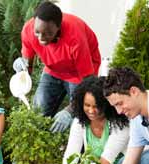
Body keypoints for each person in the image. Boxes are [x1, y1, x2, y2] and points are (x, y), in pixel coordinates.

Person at [13, 1, 101, 132]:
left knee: (78, 122)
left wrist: (70, 111)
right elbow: (27, 64)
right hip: (53, 69)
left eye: (47, 33)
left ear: (58, 27)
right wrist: (22, 69)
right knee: (37, 113)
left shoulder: (75, 37)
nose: (41, 38)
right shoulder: (28, 30)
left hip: (80, 74)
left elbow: (88, 83)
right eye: (38, 32)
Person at [100, 67, 149, 164]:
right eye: (115, 106)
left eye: (120, 103)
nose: (119, 111)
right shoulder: (137, 119)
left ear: (134, 91)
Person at [62, 76, 129, 164]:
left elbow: (107, 159)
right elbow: (71, 154)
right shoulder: (80, 122)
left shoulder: (119, 123)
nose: (91, 111)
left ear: (107, 104)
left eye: (96, 106)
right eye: (87, 105)